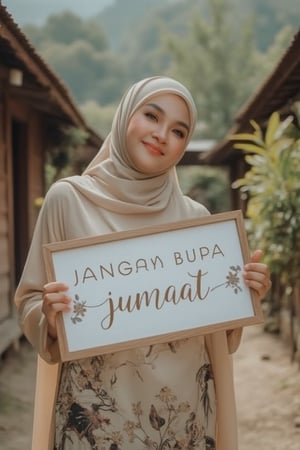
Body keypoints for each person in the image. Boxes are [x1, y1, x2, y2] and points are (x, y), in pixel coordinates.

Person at [15, 76, 271, 450]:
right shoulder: (67, 200)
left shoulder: (197, 219)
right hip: (95, 420)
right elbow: (30, 303)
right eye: (152, 115)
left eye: (179, 130)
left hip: (183, 419)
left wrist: (244, 293)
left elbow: (218, 336)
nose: (162, 134)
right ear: (124, 116)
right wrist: (51, 316)